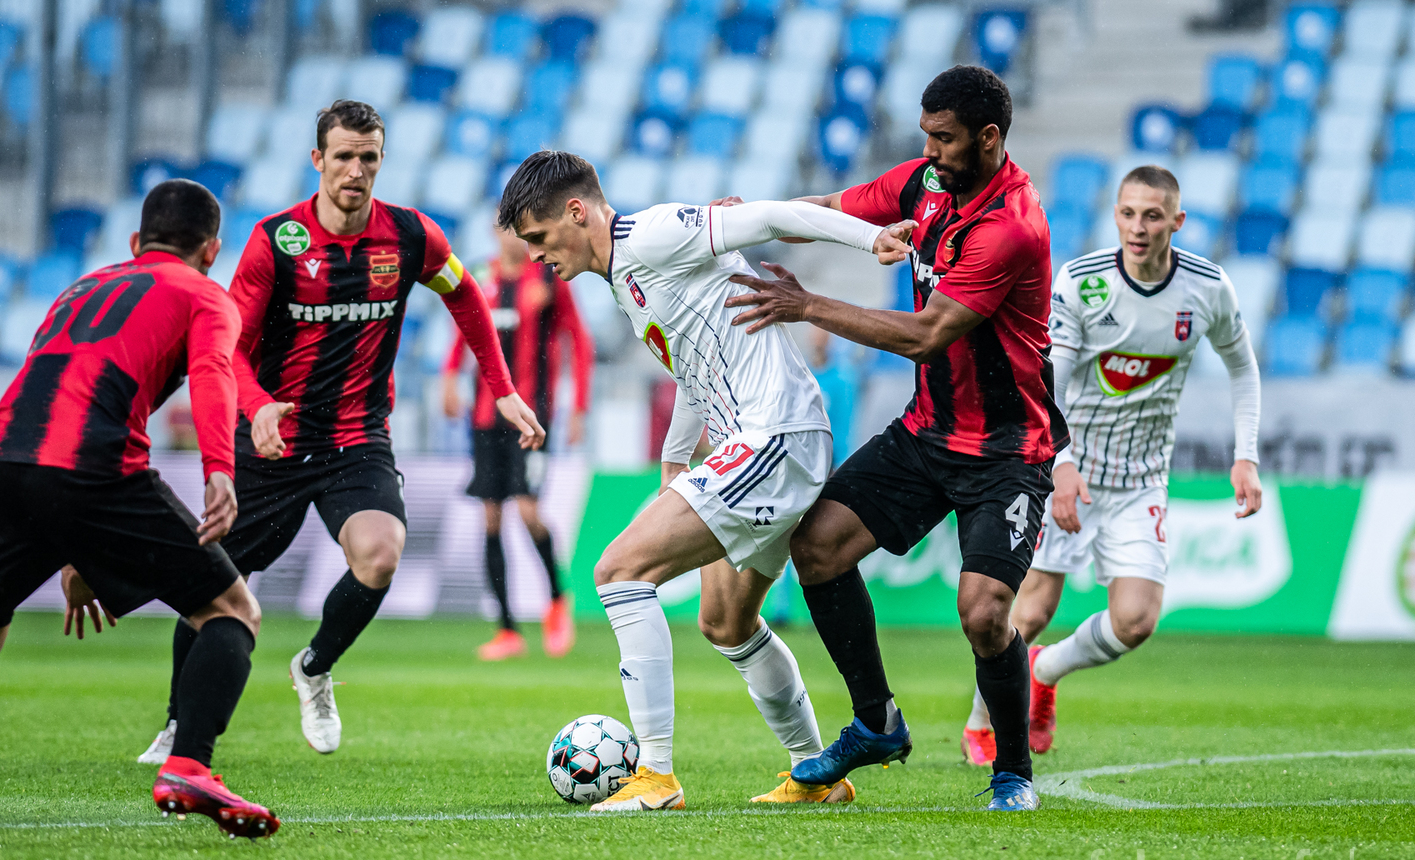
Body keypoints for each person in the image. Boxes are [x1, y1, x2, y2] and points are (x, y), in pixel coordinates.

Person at [0, 180, 280, 840]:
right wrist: (220, 469)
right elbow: (215, 374)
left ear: (135, 242)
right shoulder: (203, 294)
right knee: (231, 610)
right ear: (211, 251)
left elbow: (58, 385)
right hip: (93, 461)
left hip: (2, 456)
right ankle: (189, 765)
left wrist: (79, 551)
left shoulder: (79, 288)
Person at [134, 100, 545, 763]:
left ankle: (315, 667)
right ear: (318, 159)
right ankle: (180, 722)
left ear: (382, 161)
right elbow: (229, 348)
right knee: (214, 586)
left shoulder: (410, 236)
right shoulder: (277, 242)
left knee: (380, 555)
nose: (356, 169)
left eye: (369, 157)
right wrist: (258, 406)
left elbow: (466, 295)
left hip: (356, 438)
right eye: (344, 156)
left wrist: (502, 388)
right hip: (272, 440)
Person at [497, 150, 902, 811]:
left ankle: (655, 776)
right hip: (764, 441)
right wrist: (674, 462)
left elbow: (768, 216)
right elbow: (692, 366)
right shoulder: (626, 277)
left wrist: (871, 239)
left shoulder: (652, 234)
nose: (536, 254)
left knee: (619, 571)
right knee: (726, 622)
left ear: (576, 212)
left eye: (539, 237)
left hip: (774, 436)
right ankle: (817, 776)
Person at [722, 65, 1062, 810]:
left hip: (1007, 453)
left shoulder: (1011, 226)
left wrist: (808, 305)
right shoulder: (924, 182)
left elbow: (926, 334)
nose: (930, 150)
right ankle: (876, 722)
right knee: (817, 547)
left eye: (945, 138)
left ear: (989, 138)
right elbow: (827, 210)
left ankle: (1012, 772)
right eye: (926, 135)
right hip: (927, 431)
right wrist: (747, 219)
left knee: (984, 613)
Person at [960, 166, 1262, 764]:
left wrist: (1245, 457)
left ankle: (1043, 671)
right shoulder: (1084, 282)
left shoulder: (1207, 288)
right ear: (1115, 215)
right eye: (1127, 214)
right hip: (1067, 468)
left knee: (1135, 621)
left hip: (1141, 478)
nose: (1138, 228)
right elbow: (1049, 382)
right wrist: (1063, 463)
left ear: (1177, 221)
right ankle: (982, 721)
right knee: (1033, 608)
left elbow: (1242, 368)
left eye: (1152, 216)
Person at [442, 226, 594, 661]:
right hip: (484, 417)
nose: (510, 237)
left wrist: (578, 408)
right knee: (490, 518)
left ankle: (557, 601)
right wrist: (449, 376)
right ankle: (508, 630)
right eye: (503, 227)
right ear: (494, 232)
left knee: (528, 511)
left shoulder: (548, 277)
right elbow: (463, 330)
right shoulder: (479, 276)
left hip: (533, 417)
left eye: (517, 229)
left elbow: (579, 340)